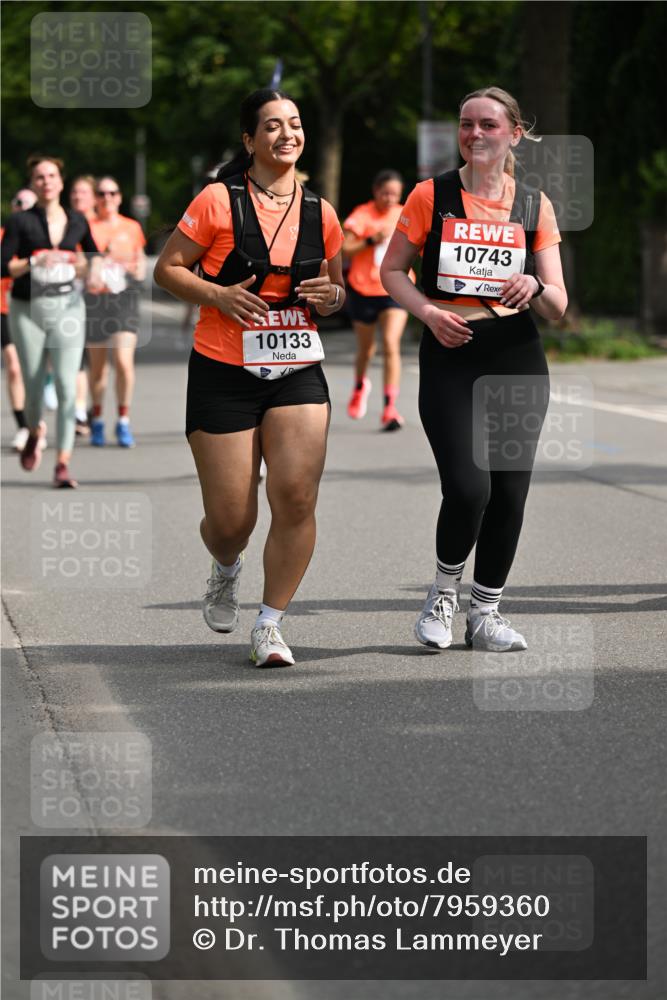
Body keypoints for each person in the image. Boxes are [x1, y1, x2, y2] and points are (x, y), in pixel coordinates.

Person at [155, 88, 345, 667]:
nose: (285, 134)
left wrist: (331, 296)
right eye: (271, 126)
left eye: (293, 124)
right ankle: (226, 564)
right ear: (250, 141)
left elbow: (335, 291)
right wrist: (218, 295)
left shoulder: (323, 212)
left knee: (295, 495)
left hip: (296, 368)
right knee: (233, 519)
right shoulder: (217, 200)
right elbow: (168, 269)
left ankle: (270, 623)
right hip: (222, 368)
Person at [381, 87, 567, 652]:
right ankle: (442, 592)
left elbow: (559, 303)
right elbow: (391, 272)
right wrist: (429, 313)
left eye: (488, 125)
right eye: (466, 124)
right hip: (450, 351)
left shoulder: (533, 205)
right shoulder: (430, 195)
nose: (475, 135)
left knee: (510, 493)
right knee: (468, 488)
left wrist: (535, 284)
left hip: (515, 355)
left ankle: (485, 612)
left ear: (514, 133)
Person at [1, 156, 98, 487]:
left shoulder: (77, 220)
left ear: (61, 181)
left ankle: (62, 463)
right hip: (27, 308)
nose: (46, 181)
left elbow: (93, 260)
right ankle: (33, 429)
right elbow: (3, 267)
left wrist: (79, 264)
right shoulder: (19, 222)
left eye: (51, 175)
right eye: (39, 177)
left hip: (68, 307)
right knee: (32, 387)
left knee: (67, 387)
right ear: (33, 183)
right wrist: (33, 260)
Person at [342, 170, 412, 430]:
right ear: (375, 191)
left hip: (395, 289)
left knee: (391, 344)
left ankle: (390, 407)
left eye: (395, 194)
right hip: (364, 289)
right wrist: (371, 240)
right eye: (385, 193)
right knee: (366, 349)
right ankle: (360, 385)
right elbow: (344, 248)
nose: (390, 198)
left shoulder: (405, 213)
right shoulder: (363, 214)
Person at [85, 176, 146, 448]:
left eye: (112, 192)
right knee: (98, 369)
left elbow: (141, 260)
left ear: (119, 197)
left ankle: (123, 420)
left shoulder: (131, 226)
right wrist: (97, 265)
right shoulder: (86, 226)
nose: (107, 197)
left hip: (124, 299)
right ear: (95, 198)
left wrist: (138, 270)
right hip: (96, 301)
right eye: (101, 193)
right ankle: (97, 417)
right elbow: (78, 262)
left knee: (122, 360)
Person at [2, 188, 41, 452]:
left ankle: (35, 423)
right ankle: (25, 428)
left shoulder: (42, 237)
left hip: (32, 307)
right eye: (19, 204)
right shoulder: (5, 235)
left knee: (31, 369)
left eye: (29, 204)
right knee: (15, 368)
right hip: (3, 308)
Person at [69, 174, 98, 437]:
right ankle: (79, 411)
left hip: (104, 302)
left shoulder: (100, 225)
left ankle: (93, 410)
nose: (78, 197)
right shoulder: (65, 222)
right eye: (74, 193)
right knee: (76, 357)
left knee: (98, 363)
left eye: (83, 193)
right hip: (70, 300)